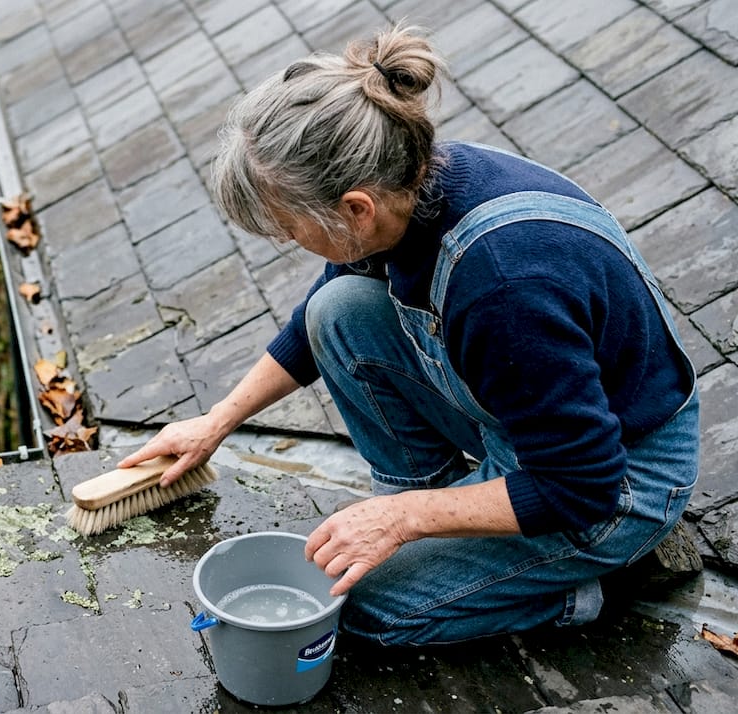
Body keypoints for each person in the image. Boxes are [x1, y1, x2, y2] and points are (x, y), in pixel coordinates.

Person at [119, 23, 699, 647]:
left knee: (360, 609)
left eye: (288, 226)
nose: (287, 241)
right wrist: (216, 422)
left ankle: (587, 593)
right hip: (537, 427)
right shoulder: (405, 178)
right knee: (337, 310)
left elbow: (581, 484)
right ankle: (433, 509)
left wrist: (401, 521)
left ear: (355, 208)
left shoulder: (503, 286)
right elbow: (315, 321)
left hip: (616, 481)